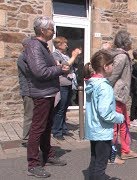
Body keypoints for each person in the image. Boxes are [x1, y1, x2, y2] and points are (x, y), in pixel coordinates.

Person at [24, 16, 69, 178]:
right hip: (42, 93)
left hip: (48, 92)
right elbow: (39, 72)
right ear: (42, 30)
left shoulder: (42, 46)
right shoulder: (34, 46)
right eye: (51, 28)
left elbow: (44, 68)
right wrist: (60, 70)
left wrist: (56, 67)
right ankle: (33, 164)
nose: (54, 31)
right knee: (37, 128)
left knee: (46, 127)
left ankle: (48, 155)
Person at [84, 50, 124, 180]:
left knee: (95, 158)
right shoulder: (104, 87)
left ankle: (95, 177)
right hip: (101, 130)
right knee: (101, 161)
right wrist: (120, 117)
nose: (113, 67)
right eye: (112, 65)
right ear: (106, 67)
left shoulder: (92, 83)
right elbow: (105, 113)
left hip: (93, 129)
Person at [107, 30, 137, 160]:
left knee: (124, 123)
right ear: (125, 42)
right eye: (130, 40)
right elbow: (112, 77)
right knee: (115, 126)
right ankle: (112, 155)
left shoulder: (122, 55)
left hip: (121, 95)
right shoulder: (121, 56)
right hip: (117, 95)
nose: (132, 42)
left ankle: (126, 151)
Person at [51, 36, 81, 140]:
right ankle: (56, 131)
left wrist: (75, 57)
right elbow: (64, 66)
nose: (67, 45)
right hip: (61, 84)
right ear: (59, 45)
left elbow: (73, 66)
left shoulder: (65, 55)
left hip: (69, 84)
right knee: (60, 108)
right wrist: (73, 56)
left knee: (64, 109)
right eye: (65, 43)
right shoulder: (55, 55)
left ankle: (63, 128)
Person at [17, 38, 33, 147]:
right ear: (25, 46)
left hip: (34, 90)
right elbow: (30, 72)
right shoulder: (22, 58)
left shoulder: (30, 57)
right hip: (28, 91)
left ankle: (32, 137)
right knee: (29, 115)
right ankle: (26, 139)